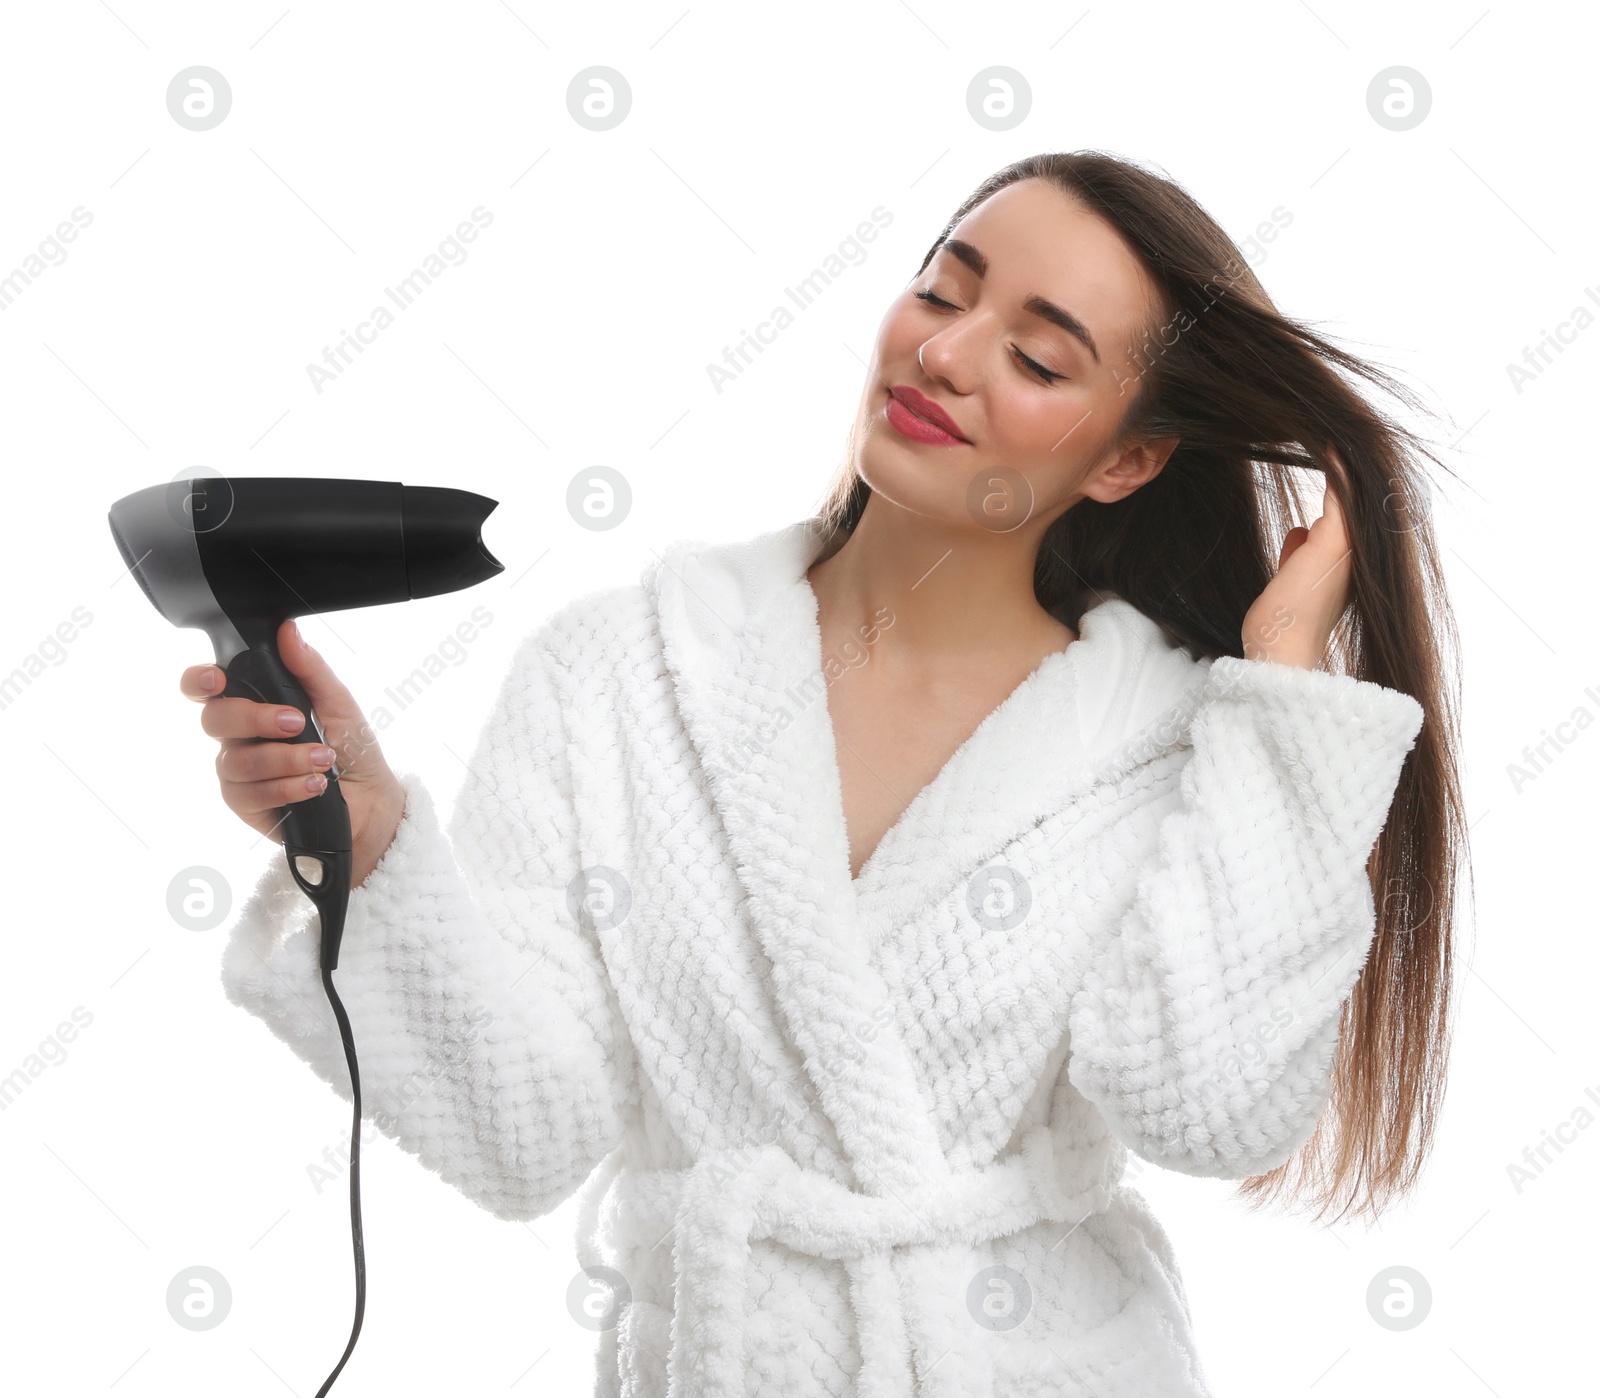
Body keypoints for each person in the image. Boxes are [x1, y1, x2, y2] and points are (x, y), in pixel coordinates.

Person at [184, 151, 1464, 1396]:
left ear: (1126, 459)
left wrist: (1286, 677)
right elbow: (521, 1131)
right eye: (941, 291)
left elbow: (1206, 1111)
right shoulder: (616, 675)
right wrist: (373, 844)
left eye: (1034, 356)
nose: (946, 356)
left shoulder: (1177, 746)